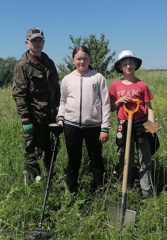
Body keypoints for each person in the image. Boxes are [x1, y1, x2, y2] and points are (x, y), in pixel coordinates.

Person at [57, 46, 111, 194]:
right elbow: (63, 101)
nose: (82, 61)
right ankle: (72, 192)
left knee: (96, 160)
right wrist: (61, 119)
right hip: (71, 126)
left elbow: (106, 104)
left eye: (85, 58)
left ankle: (100, 192)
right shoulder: (67, 79)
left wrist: (105, 128)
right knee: (73, 161)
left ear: (90, 59)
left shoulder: (98, 78)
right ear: (73, 60)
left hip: (93, 126)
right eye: (79, 58)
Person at [12, 27, 60, 185]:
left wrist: (60, 109)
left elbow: (56, 88)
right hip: (33, 119)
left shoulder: (49, 62)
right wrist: (25, 118)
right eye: (34, 41)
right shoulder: (23, 65)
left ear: (44, 42)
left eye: (40, 40)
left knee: (52, 151)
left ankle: (50, 182)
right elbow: (19, 93)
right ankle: (34, 186)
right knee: (33, 154)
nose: (37, 43)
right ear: (27, 43)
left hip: (51, 117)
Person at [109, 50, 155, 198]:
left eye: (131, 63)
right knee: (125, 158)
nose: (128, 66)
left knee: (145, 159)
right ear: (120, 67)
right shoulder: (115, 85)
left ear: (136, 65)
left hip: (141, 124)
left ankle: (146, 192)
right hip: (124, 123)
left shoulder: (142, 85)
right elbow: (110, 107)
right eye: (125, 63)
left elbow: (150, 110)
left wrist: (151, 126)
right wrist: (119, 102)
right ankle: (125, 189)